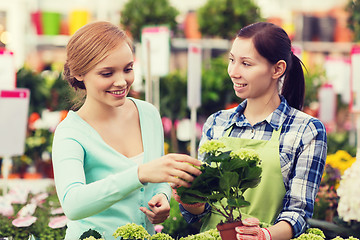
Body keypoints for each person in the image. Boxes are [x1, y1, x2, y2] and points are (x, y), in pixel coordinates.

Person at [51, 21, 202, 240]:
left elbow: (158, 177)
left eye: (128, 69)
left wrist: (162, 196)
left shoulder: (148, 114)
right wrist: (139, 174)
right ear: (80, 73)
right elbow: (73, 204)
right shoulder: (70, 133)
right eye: (107, 73)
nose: (121, 81)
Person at [177, 22, 327, 240]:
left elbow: (298, 213)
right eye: (232, 60)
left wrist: (264, 235)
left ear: (278, 69)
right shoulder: (217, 123)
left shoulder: (306, 131)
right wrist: (191, 200)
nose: (233, 72)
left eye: (246, 64)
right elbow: (204, 212)